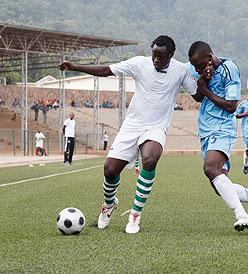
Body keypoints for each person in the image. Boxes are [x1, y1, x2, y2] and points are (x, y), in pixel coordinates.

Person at [59, 35, 198, 234]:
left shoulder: (180, 71)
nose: (156, 60)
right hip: (132, 125)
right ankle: (109, 204)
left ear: (171, 55)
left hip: (156, 127)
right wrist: (75, 67)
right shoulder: (139, 64)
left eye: (161, 57)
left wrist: (208, 76)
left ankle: (135, 215)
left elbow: (197, 95)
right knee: (110, 170)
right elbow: (107, 70)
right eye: (154, 55)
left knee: (150, 159)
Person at [188, 41, 248, 231]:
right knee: (220, 186)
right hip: (205, 130)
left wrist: (205, 88)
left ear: (209, 58)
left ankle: (241, 214)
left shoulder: (229, 69)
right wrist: (204, 81)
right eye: (194, 67)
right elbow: (198, 96)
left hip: (223, 127)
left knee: (210, 168)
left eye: (199, 66)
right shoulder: (198, 69)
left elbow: (231, 105)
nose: (197, 69)